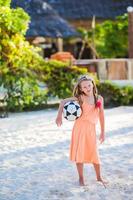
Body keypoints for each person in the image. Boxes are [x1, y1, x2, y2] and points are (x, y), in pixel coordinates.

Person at [55, 75, 107, 187]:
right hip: (79, 128)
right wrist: (59, 115)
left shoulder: (99, 99)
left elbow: (102, 116)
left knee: (94, 152)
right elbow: (63, 102)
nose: (87, 88)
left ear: (93, 84)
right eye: (84, 87)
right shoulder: (80, 98)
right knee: (80, 153)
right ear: (80, 89)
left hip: (91, 129)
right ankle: (81, 179)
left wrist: (103, 132)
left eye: (89, 85)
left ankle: (99, 177)